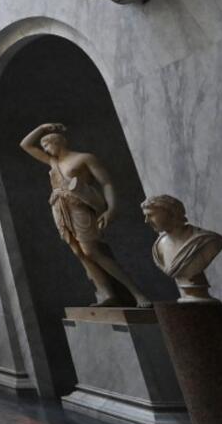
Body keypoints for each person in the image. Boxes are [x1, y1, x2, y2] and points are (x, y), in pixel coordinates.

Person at [20, 123, 149, 307]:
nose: (46, 150)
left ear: (57, 142)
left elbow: (106, 183)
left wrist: (111, 209)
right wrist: (43, 127)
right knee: (80, 253)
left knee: (91, 251)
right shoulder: (53, 162)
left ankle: (136, 293)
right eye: (44, 147)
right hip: (61, 209)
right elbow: (26, 145)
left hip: (80, 206)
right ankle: (107, 294)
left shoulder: (83, 158)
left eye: (47, 145)